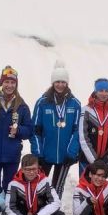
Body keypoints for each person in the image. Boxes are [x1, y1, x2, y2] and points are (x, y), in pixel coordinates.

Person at [31, 60, 82, 198]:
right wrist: (38, 152)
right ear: (53, 83)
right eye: (57, 81)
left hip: (65, 155)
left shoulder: (75, 103)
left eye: (63, 82)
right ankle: (39, 212)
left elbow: (77, 130)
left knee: (58, 187)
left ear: (67, 83)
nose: (60, 85)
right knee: (40, 185)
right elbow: (35, 129)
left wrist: (71, 152)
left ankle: (53, 213)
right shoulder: (42, 102)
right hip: (45, 154)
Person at [1, 154, 66, 215]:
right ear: (22, 169)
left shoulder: (45, 181)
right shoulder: (13, 184)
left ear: (38, 168)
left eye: (34, 169)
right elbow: (10, 208)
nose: (31, 172)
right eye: (27, 169)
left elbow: (56, 202)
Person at [0, 65, 34, 191]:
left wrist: (18, 131)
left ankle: (7, 210)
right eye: (6, 82)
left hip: (12, 155)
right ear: (1, 83)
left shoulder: (22, 106)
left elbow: (29, 131)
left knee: (10, 187)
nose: (9, 85)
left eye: (13, 82)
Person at [79, 78, 108, 174]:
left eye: (107, 91)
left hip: (105, 161)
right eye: (101, 90)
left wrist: (106, 159)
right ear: (95, 91)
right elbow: (83, 137)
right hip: (86, 160)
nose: (104, 94)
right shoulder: (86, 110)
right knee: (84, 187)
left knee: (101, 187)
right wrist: (94, 160)